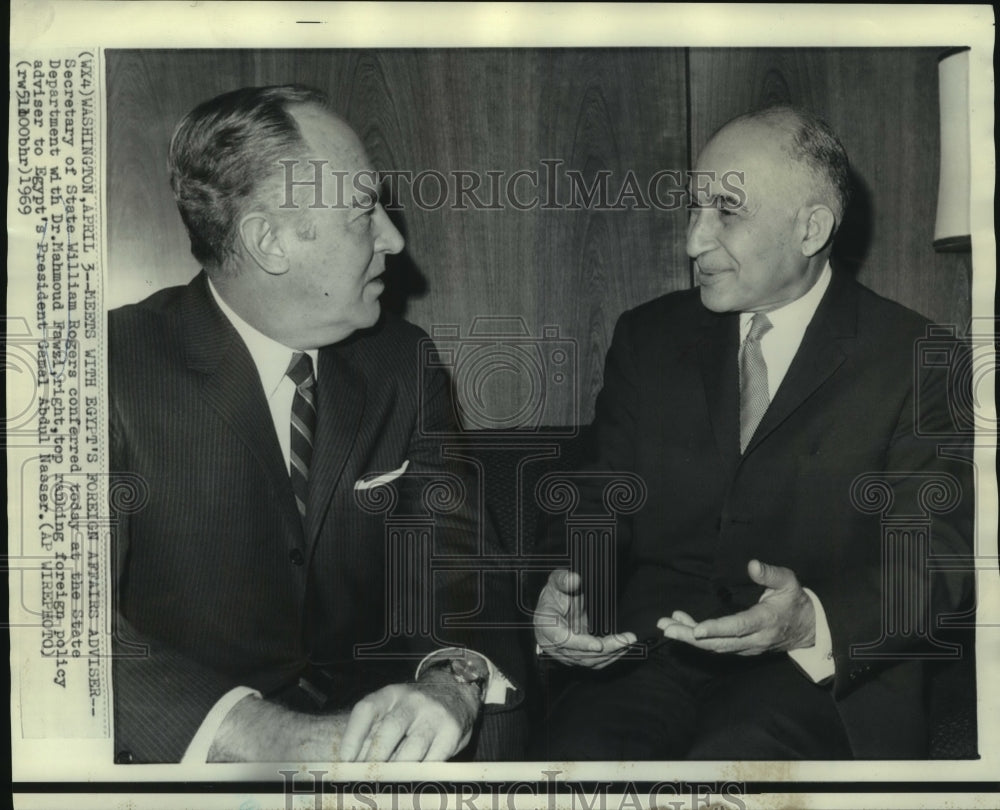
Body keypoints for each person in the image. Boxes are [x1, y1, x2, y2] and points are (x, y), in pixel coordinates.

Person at [532, 106, 974, 759]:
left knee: (737, 775)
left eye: (726, 212)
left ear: (811, 227)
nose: (693, 241)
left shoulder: (919, 358)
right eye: (694, 209)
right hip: (642, 662)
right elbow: (600, 498)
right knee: (583, 767)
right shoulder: (647, 338)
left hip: (814, 679)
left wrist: (810, 620)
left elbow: (935, 558)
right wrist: (573, 589)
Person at [109, 85, 523, 764]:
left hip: (379, 713)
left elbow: (459, 566)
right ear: (269, 240)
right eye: (364, 211)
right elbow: (64, 636)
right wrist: (278, 740)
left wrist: (450, 683)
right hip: (199, 747)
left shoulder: (402, 363)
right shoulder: (106, 370)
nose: (393, 237)